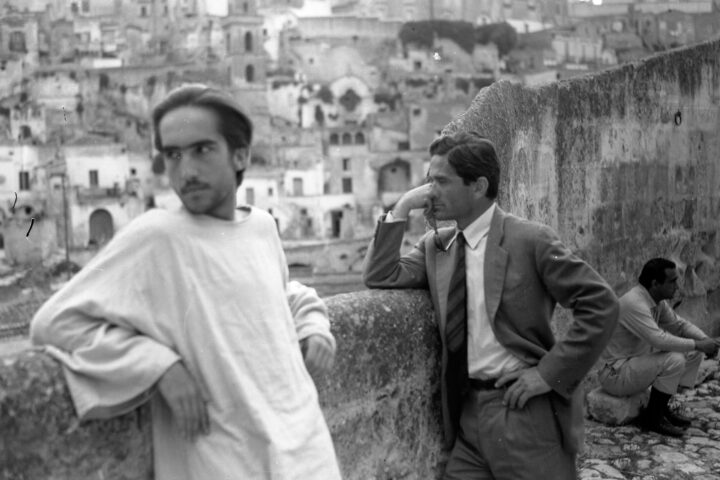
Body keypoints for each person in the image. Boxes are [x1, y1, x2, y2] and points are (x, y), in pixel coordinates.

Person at [30, 84, 342, 480]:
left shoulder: (261, 227)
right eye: (172, 155)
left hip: (308, 451)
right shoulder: (157, 236)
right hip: (226, 461)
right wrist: (159, 366)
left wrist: (314, 326)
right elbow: (54, 323)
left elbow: (280, 294)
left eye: (202, 150)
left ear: (241, 154)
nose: (186, 171)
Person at [362, 131, 619, 480]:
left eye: (440, 181)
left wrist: (547, 374)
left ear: (478, 186)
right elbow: (381, 275)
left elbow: (600, 304)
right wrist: (403, 206)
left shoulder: (530, 240)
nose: (430, 192)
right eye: (428, 181)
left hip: (523, 411)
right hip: (468, 417)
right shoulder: (438, 247)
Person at [598, 257, 720, 437]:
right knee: (675, 359)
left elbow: (680, 326)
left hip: (634, 365)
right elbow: (659, 340)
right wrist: (700, 345)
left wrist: (706, 341)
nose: (677, 287)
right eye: (672, 282)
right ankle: (653, 418)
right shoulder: (634, 303)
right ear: (655, 283)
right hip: (615, 373)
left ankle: (661, 408)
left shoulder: (656, 301)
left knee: (692, 353)